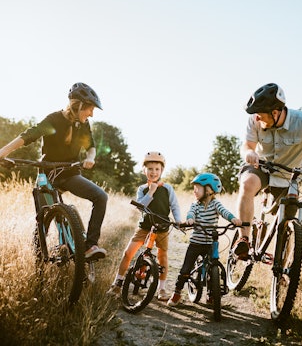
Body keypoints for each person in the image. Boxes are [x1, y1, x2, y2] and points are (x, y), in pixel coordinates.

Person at [233, 83, 302, 259]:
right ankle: (244, 239)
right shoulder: (255, 119)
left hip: (289, 176)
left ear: (275, 112)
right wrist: (249, 152)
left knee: (287, 221)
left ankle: (282, 268)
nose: (256, 118)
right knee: (247, 183)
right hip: (261, 167)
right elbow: (248, 145)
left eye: (260, 115)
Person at [0, 82, 108, 260]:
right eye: (89, 109)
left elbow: (91, 146)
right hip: (48, 174)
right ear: (77, 105)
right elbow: (29, 135)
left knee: (101, 196)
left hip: (70, 174)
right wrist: (3, 152)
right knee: (43, 218)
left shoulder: (84, 124)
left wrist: (90, 158)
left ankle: (89, 246)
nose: (91, 113)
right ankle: (44, 257)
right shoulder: (54, 120)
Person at [107, 151, 181, 301]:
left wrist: (178, 220)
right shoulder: (142, 189)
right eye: (150, 169)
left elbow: (174, 206)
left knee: (162, 257)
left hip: (162, 228)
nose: (154, 172)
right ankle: (117, 283)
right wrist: (151, 191)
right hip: (145, 227)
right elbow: (141, 206)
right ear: (144, 170)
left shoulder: (168, 188)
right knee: (128, 253)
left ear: (161, 171)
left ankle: (161, 289)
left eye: (157, 169)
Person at [167, 173, 242, 307]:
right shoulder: (195, 205)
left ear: (209, 190)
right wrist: (190, 219)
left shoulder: (215, 204)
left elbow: (224, 212)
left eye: (198, 188)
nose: (194, 191)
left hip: (211, 244)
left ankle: (211, 294)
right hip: (195, 243)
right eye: (194, 188)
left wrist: (233, 219)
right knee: (185, 270)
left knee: (213, 269)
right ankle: (177, 292)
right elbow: (191, 213)